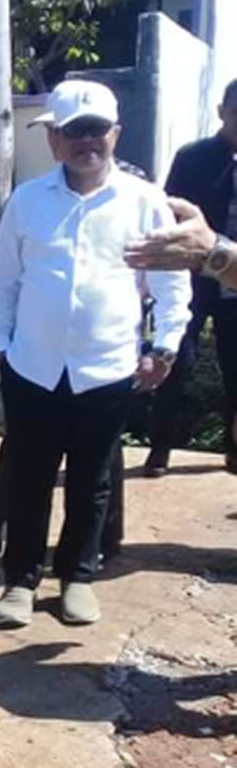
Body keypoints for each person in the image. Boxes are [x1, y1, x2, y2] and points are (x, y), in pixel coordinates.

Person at [0, 78, 190, 629]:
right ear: (53, 139)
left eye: (96, 130)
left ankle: (77, 578)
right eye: (73, 132)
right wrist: (1, 351)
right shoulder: (27, 202)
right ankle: (20, 582)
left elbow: (171, 288)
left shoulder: (146, 203)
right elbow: (1, 286)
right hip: (32, 369)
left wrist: (163, 348)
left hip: (107, 369)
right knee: (29, 479)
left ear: (115, 134)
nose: (85, 142)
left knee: (92, 482)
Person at [143, 79, 237, 475]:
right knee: (177, 360)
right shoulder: (193, 157)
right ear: (221, 112)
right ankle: (160, 447)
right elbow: (168, 215)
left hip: (235, 279)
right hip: (194, 279)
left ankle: (233, 449)